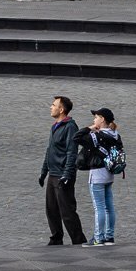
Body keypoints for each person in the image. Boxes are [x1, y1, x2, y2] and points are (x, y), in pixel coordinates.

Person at [38, 95, 86, 246]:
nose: (51, 107)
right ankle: (56, 238)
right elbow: (50, 149)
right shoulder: (55, 126)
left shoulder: (70, 127)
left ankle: (78, 240)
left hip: (62, 175)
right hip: (53, 174)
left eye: (53, 105)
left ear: (62, 109)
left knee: (67, 211)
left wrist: (67, 174)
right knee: (51, 209)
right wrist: (44, 172)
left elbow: (72, 152)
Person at [79, 107, 122, 246]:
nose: (94, 119)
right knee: (109, 207)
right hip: (109, 174)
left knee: (99, 208)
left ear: (102, 119)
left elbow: (77, 137)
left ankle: (98, 238)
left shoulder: (97, 136)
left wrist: (90, 128)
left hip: (97, 175)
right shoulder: (115, 134)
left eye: (96, 117)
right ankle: (109, 237)